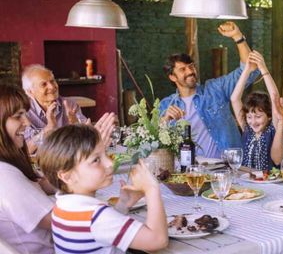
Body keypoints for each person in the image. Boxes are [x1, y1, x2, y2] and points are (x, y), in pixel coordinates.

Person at [38, 124, 169, 253]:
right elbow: (158, 241)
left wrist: (123, 204)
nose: (110, 163)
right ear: (67, 176)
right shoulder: (96, 217)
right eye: (96, 160)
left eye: (106, 154)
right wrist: (151, 189)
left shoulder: (61, 206)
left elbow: (101, 232)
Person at [159, 21, 259, 159]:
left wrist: (238, 36)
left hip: (228, 167)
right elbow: (156, 145)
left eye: (191, 66)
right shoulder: (166, 105)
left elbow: (251, 70)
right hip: (192, 171)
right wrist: (165, 120)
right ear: (172, 77)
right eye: (182, 69)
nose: (190, 71)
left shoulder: (215, 89)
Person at [0, 83, 55, 254]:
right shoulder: (5, 177)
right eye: (18, 116)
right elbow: (63, 223)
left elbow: (44, 184)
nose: (27, 122)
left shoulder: (9, 165)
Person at [21, 64, 115, 154]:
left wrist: (76, 128)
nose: (52, 87)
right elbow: (26, 149)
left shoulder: (69, 105)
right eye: (44, 84)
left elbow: (86, 141)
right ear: (30, 92)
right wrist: (48, 129)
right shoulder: (24, 112)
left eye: (52, 81)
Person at [231, 50, 279, 171]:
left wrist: (263, 68)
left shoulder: (273, 129)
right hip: (247, 183)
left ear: (269, 116)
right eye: (249, 117)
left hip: (269, 184)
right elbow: (234, 99)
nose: (253, 122)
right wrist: (247, 69)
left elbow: (275, 98)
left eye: (258, 117)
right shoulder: (247, 129)